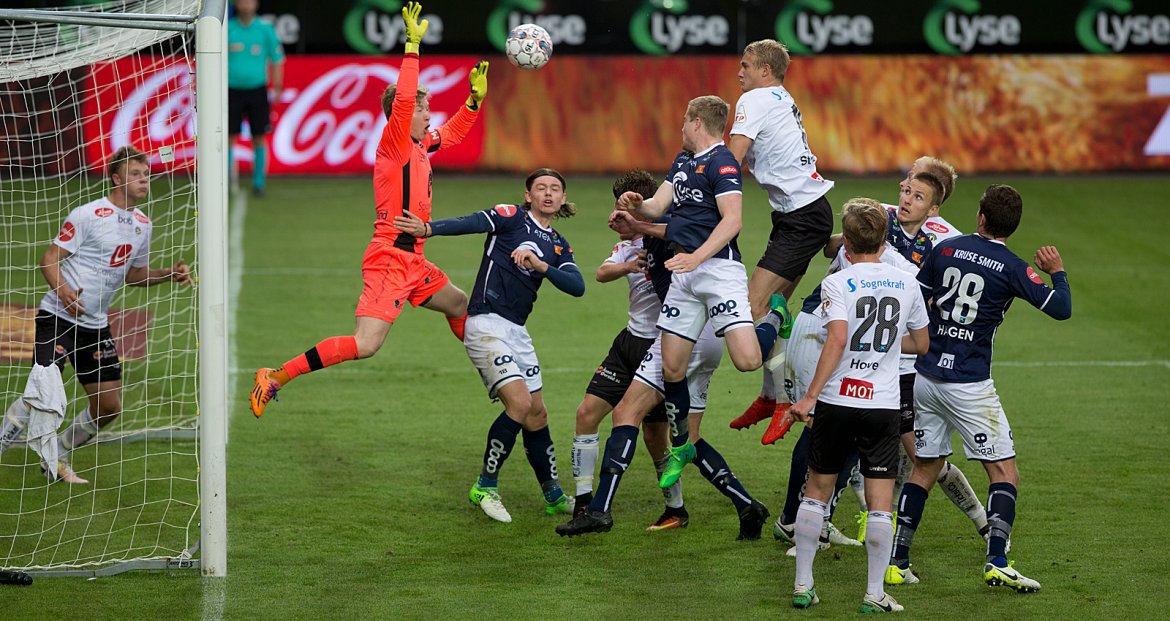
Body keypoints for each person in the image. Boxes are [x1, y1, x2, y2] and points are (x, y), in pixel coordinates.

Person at [249, 2, 487, 417]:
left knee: (458, 303)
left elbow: (450, 135)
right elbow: (406, 96)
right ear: (402, 115)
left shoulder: (419, 144)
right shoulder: (394, 143)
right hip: (390, 259)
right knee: (366, 344)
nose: (428, 115)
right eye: (422, 109)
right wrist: (412, 46)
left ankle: (495, 374)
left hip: (413, 259)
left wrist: (472, 102)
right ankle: (275, 376)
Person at [887, 184, 1072, 593]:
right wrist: (1056, 271)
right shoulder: (1012, 267)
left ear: (981, 216)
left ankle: (897, 562)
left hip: (925, 377)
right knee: (1004, 472)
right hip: (969, 384)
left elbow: (917, 303)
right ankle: (997, 562)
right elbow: (1061, 309)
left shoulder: (945, 249)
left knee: (924, 467)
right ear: (1012, 226)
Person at [556, 206, 775, 540]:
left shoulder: (669, 232)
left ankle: (599, 511)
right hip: (706, 338)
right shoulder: (675, 234)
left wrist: (639, 221)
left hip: (684, 336)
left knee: (626, 413)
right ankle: (746, 505)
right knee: (689, 437)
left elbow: (670, 226)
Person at [395, 168, 584, 523]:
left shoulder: (559, 244)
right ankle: (485, 486)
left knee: (537, 414)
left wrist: (541, 265)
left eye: (555, 189)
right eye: (540, 188)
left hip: (518, 332)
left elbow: (577, 286)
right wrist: (428, 229)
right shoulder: (511, 218)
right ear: (528, 195)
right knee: (520, 403)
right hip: (485, 325)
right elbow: (471, 222)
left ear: (562, 199)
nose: (547, 193)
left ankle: (554, 496)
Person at [0, 146, 192, 484]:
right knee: (41, 394)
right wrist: (64, 292)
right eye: (135, 174)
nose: (144, 180)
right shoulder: (87, 214)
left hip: (95, 326)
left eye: (146, 174)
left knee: (109, 407)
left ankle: (58, 453)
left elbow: (134, 275)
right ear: (117, 179)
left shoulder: (143, 225)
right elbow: (49, 259)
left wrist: (168, 274)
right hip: (58, 318)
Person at [782, 198, 930, 612]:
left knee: (817, 492)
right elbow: (921, 343)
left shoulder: (837, 282)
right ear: (885, 241)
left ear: (845, 243)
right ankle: (874, 593)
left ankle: (803, 585)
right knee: (881, 502)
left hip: (837, 400)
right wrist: (885, 347)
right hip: (882, 404)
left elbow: (837, 338)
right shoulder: (908, 282)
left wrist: (809, 397)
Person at [570, 170, 689, 532]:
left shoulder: (669, 242)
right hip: (627, 344)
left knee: (655, 437)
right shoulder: (626, 246)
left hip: (661, 346)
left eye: (622, 208)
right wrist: (628, 265)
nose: (615, 215)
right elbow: (601, 273)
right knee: (586, 414)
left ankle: (676, 509)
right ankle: (583, 502)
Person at [728, 39, 836, 431]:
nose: (739, 71)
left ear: (765, 70)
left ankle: (783, 398)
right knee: (769, 310)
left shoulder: (754, 99)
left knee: (755, 307)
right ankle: (772, 396)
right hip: (802, 215)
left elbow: (731, 160)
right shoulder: (778, 97)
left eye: (746, 65)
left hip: (802, 218)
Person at [228, 0, 285, 197]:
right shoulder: (226, 29)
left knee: (259, 137)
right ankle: (227, 182)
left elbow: (277, 59)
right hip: (230, 90)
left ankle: (258, 183)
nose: (246, 4)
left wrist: (277, 87)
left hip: (257, 90)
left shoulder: (265, 29)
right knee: (228, 137)